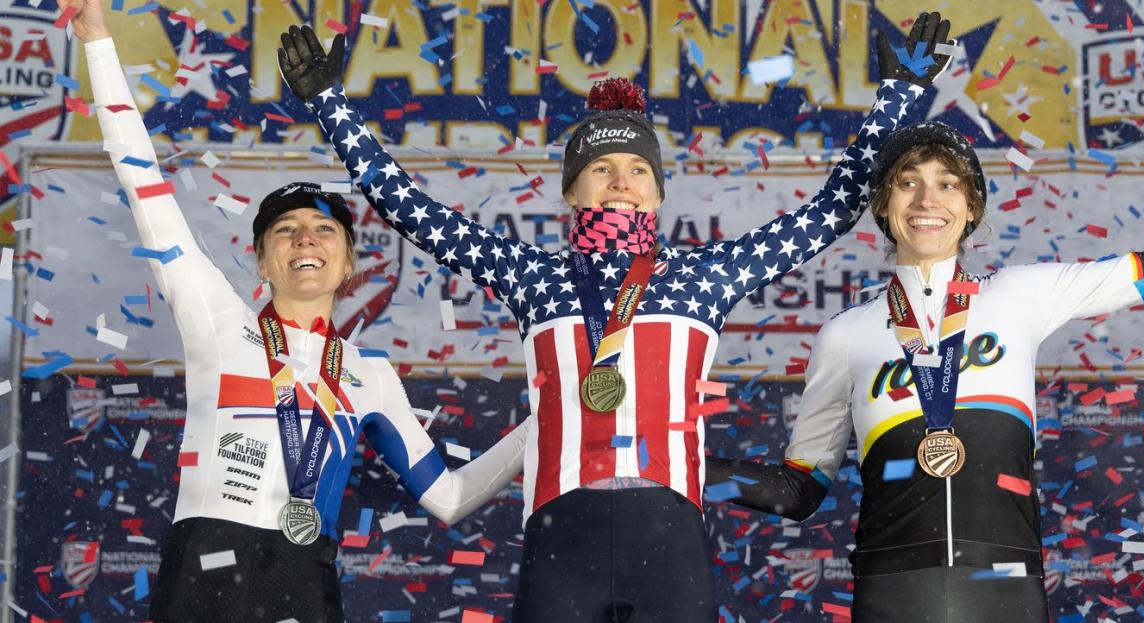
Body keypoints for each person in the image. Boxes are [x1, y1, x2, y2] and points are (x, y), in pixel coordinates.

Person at [277, 13, 951, 621]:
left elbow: (831, 210)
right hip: (559, 532)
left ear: (658, 192)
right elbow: (408, 206)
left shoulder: (702, 276)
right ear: (571, 189)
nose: (621, 179)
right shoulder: (532, 275)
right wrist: (329, 104)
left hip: (670, 535)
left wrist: (899, 94)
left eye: (636, 168)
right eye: (601, 167)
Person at [65, 1, 529, 621]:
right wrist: (96, 39)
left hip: (304, 578)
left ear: (349, 265)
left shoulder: (371, 376)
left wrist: (550, 417)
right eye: (285, 231)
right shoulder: (217, 320)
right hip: (204, 566)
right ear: (261, 261)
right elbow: (140, 176)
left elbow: (448, 497)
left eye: (323, 230)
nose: (305, 239)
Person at [705, 117, 1144, 620]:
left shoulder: (1020, 295)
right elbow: (797, 493)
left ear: (972, 208)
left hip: (1005, 579)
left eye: (947, 183)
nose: (926, 199)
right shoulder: (845, 335)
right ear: (884, 206)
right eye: (907, 182)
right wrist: (676, 463)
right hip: (893, 586)